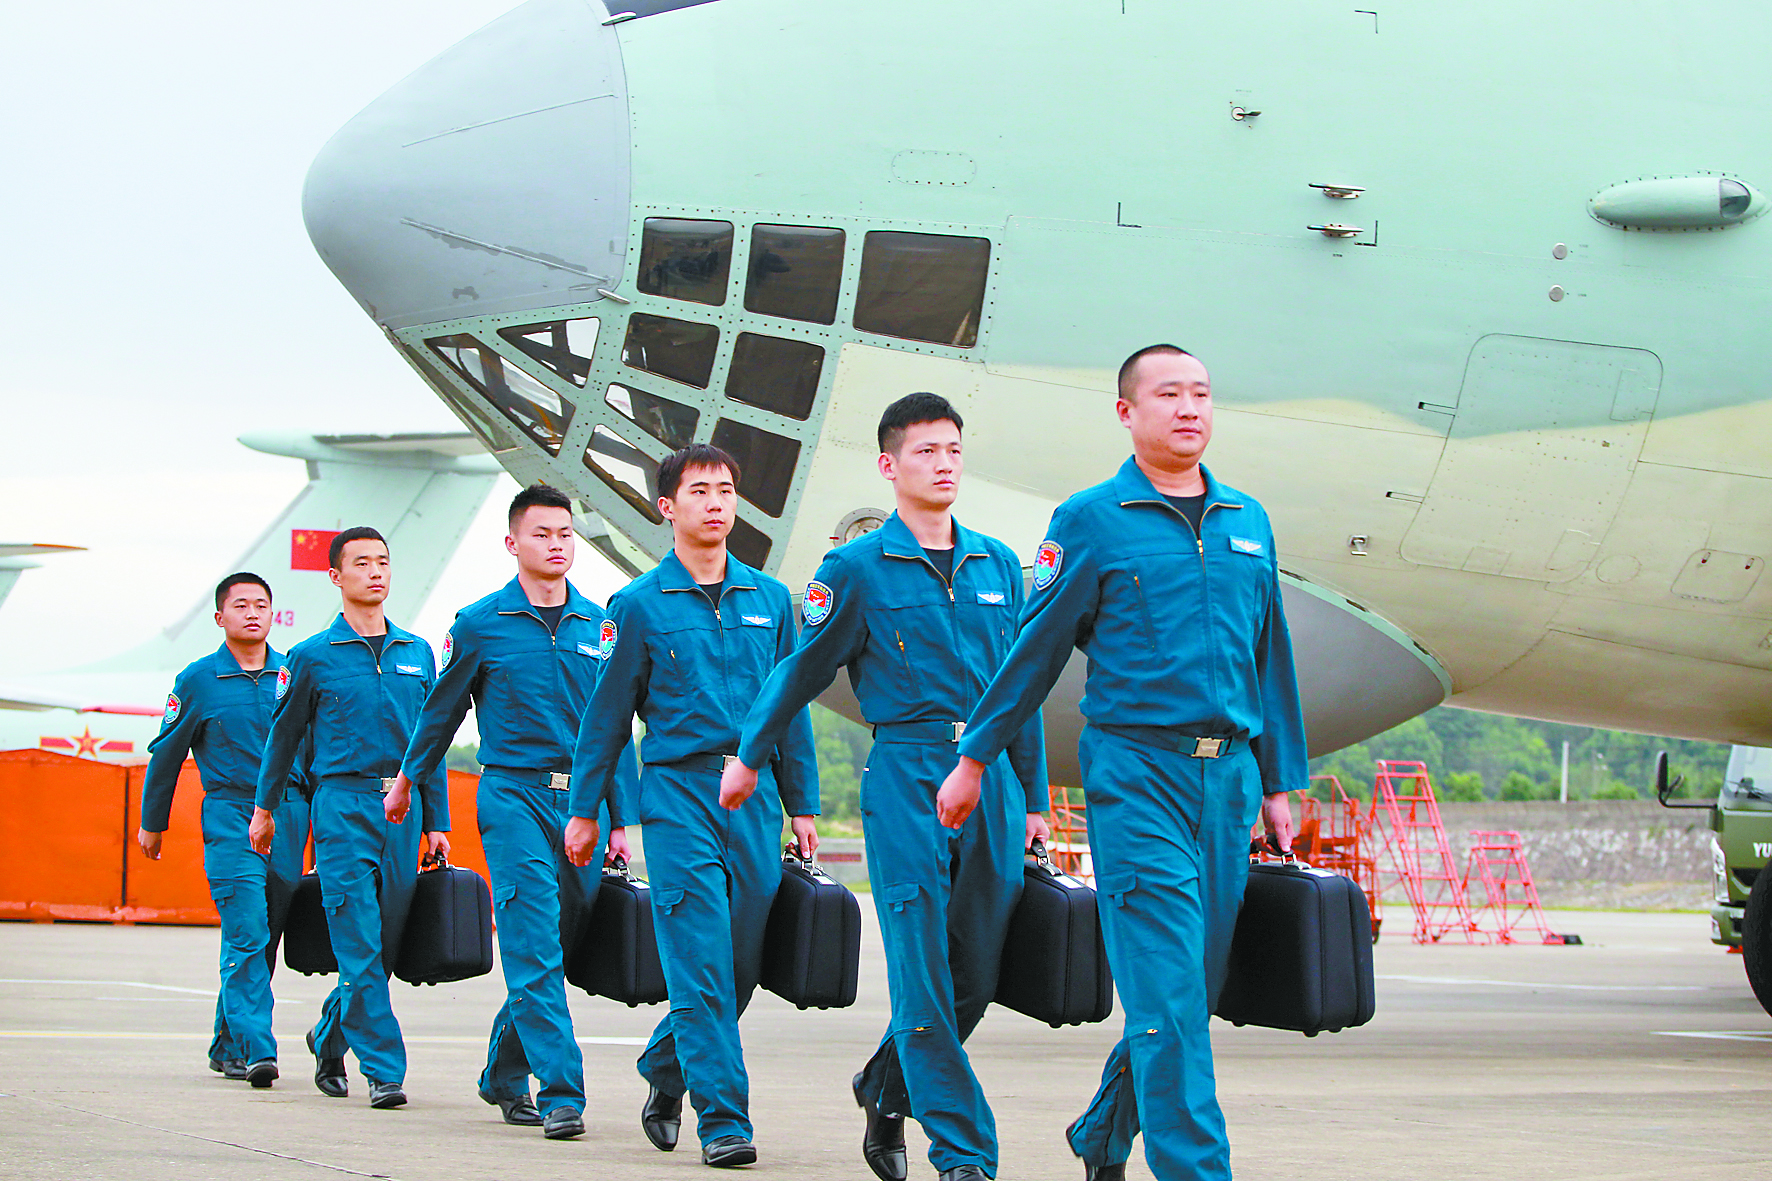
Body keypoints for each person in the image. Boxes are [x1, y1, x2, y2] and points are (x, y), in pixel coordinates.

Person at [936, 346, 1304, 1181]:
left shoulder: (1247, 519)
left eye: (1202, 394)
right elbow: (1034, 650)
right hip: (1138, 777)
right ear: (1127, 412)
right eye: (1168, 394)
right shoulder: (1091, 520)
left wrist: (1282, 778)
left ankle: (1104, 1131)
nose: (1189, 409)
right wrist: (975, 757)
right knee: (1169, 1000)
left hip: (1231, 779)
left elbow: (1270, 654)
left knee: (1190, 995)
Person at [721, 393, 1048, 1181]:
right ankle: (964, 1152)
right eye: (926, 451)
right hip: (906, 775)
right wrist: (749, 754)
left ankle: (883, 1083)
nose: (943, 464)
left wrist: (1033, 799)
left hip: (992, 778)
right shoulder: (855, 569)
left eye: (953, 451)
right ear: (889, 465)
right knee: (923, 971)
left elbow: (1020, 688)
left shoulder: (999, 563)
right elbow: (799, 670)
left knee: (977, 971)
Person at [563, 443, 819, 1170]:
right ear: (667, 506)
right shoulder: (637, 606)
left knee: (739, 961)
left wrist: (802, 802)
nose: (716, 500)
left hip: (756, 795)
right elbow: (606, 718)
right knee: (700, 958)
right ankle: (724, 1119)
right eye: (700, 489)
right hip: (678, 794)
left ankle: (666, 1065)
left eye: (727, 488)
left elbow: (790, 707)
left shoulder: (770, 599)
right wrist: (588, 809)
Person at [394, 482, 637, 1140]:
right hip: (511, 795)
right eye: (542, 534)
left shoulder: (601, 623)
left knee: (560, 943)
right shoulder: (478, 624)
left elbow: (615, 725)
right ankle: (561, 1089)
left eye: (564, 534)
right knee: (531, 938)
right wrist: (408, 783)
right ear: (513, 543)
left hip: (581, 801)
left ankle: (503, 1069)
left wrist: (622, 818)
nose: (556, 544)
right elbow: (438, 714)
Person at [250, 526, 450, 1110]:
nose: (375, 572)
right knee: (359, 942)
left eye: (383, 562)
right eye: (361, 563)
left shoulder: (418, 653)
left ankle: (328, 1035)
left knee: (382, 948)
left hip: (404, 808)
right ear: (336, 576)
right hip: (340, 806)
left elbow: (429, 744)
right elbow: (281, 741)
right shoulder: (311, 657)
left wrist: (437, 821)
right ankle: (385, 1070)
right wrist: (265, 811)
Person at [137, 572, 312, 1088]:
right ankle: (258, 1048)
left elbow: (320, 750)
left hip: (289, 816)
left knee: (266, 937)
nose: (252, 613)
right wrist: (154, 822)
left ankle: (226, 1044)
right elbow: (167, 751)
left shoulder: (294, 672)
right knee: (246, 930)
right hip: (231, 816)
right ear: (220, 617)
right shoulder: (199, 680)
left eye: (261, 604)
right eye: (241, 605)